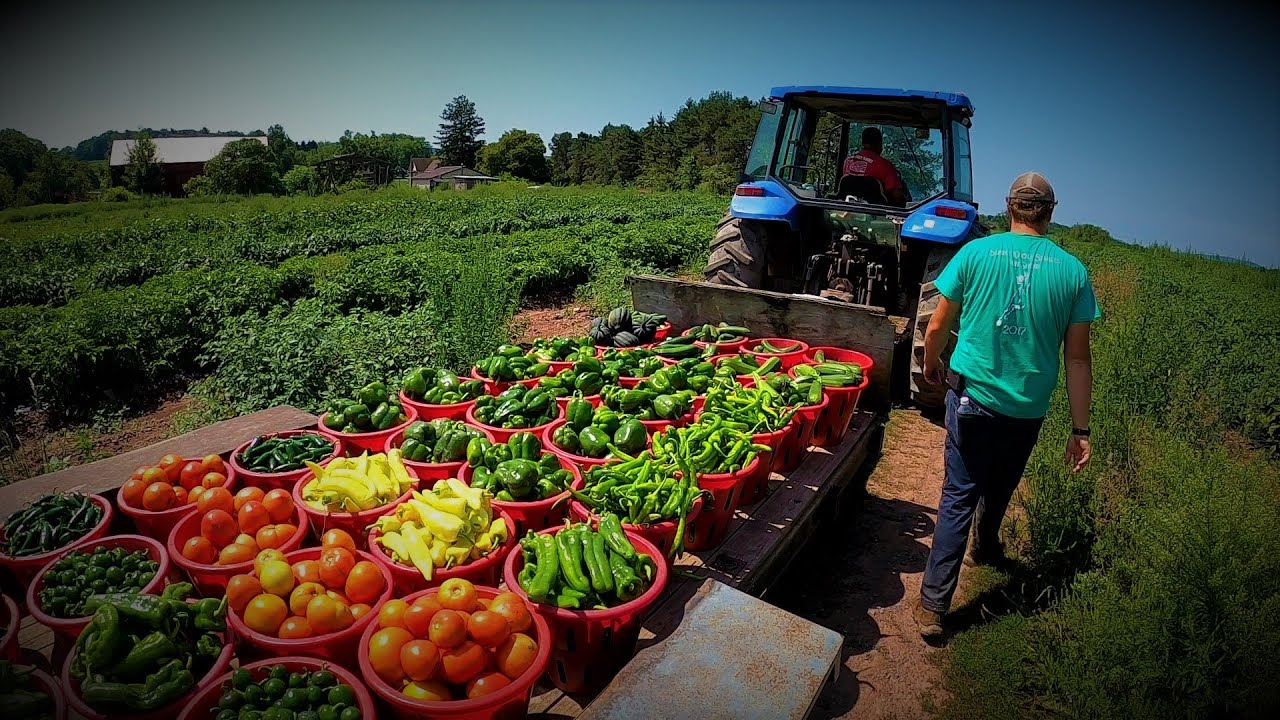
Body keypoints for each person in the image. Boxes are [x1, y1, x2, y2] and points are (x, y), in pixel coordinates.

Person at [914, 172, 1100, 640]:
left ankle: (935, 606)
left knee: (959, 492)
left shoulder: (975, 253)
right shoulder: (1073, 272)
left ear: (1010, 208)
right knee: (1003, 481)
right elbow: (1077, 359)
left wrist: (931, 364)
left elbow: (936, 327)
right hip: (1027, 409)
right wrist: (1081, 430)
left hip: (972, 397)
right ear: (1051, 213)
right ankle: (988, 546)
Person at [841, 127, 910, 206]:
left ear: (862, 142)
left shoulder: (848, 161)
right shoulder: (885, 165)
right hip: (876, 213)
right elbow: (897, 196)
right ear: (879, 143)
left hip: (848, 209)